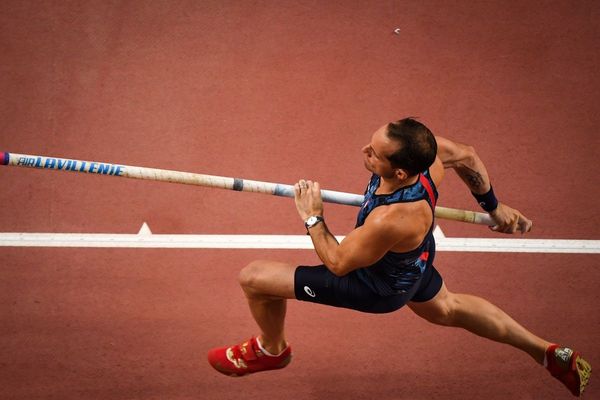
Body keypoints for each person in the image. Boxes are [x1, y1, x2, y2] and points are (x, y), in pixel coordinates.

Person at [207, 118, 591, 397]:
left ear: (401, 170)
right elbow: (468, 156)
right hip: (414, 264)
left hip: (375, 286)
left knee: (254, 278)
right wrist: (493, 205)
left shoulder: (392, 218)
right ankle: (546, 353)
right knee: (449, 308)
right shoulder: (429, 159)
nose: (365, 152)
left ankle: (272, 350)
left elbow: (338, 262)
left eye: (375, 154)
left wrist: (312, 214)